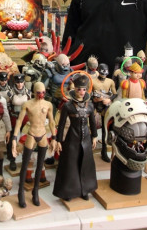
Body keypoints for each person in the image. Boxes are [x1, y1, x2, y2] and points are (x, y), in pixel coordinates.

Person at [52, 74, 97, 202]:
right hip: (72, 138)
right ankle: (69, 191)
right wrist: (59, 140)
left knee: (86, 164)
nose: (81, 92)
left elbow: (92, 122)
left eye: (83, 89)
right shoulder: (68, 106)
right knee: (70, 165)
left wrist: (94, 136)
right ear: (74, 89)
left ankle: (85, 190)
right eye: (79, 89)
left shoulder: (90, 105)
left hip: (86, 138)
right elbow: (61, 125)